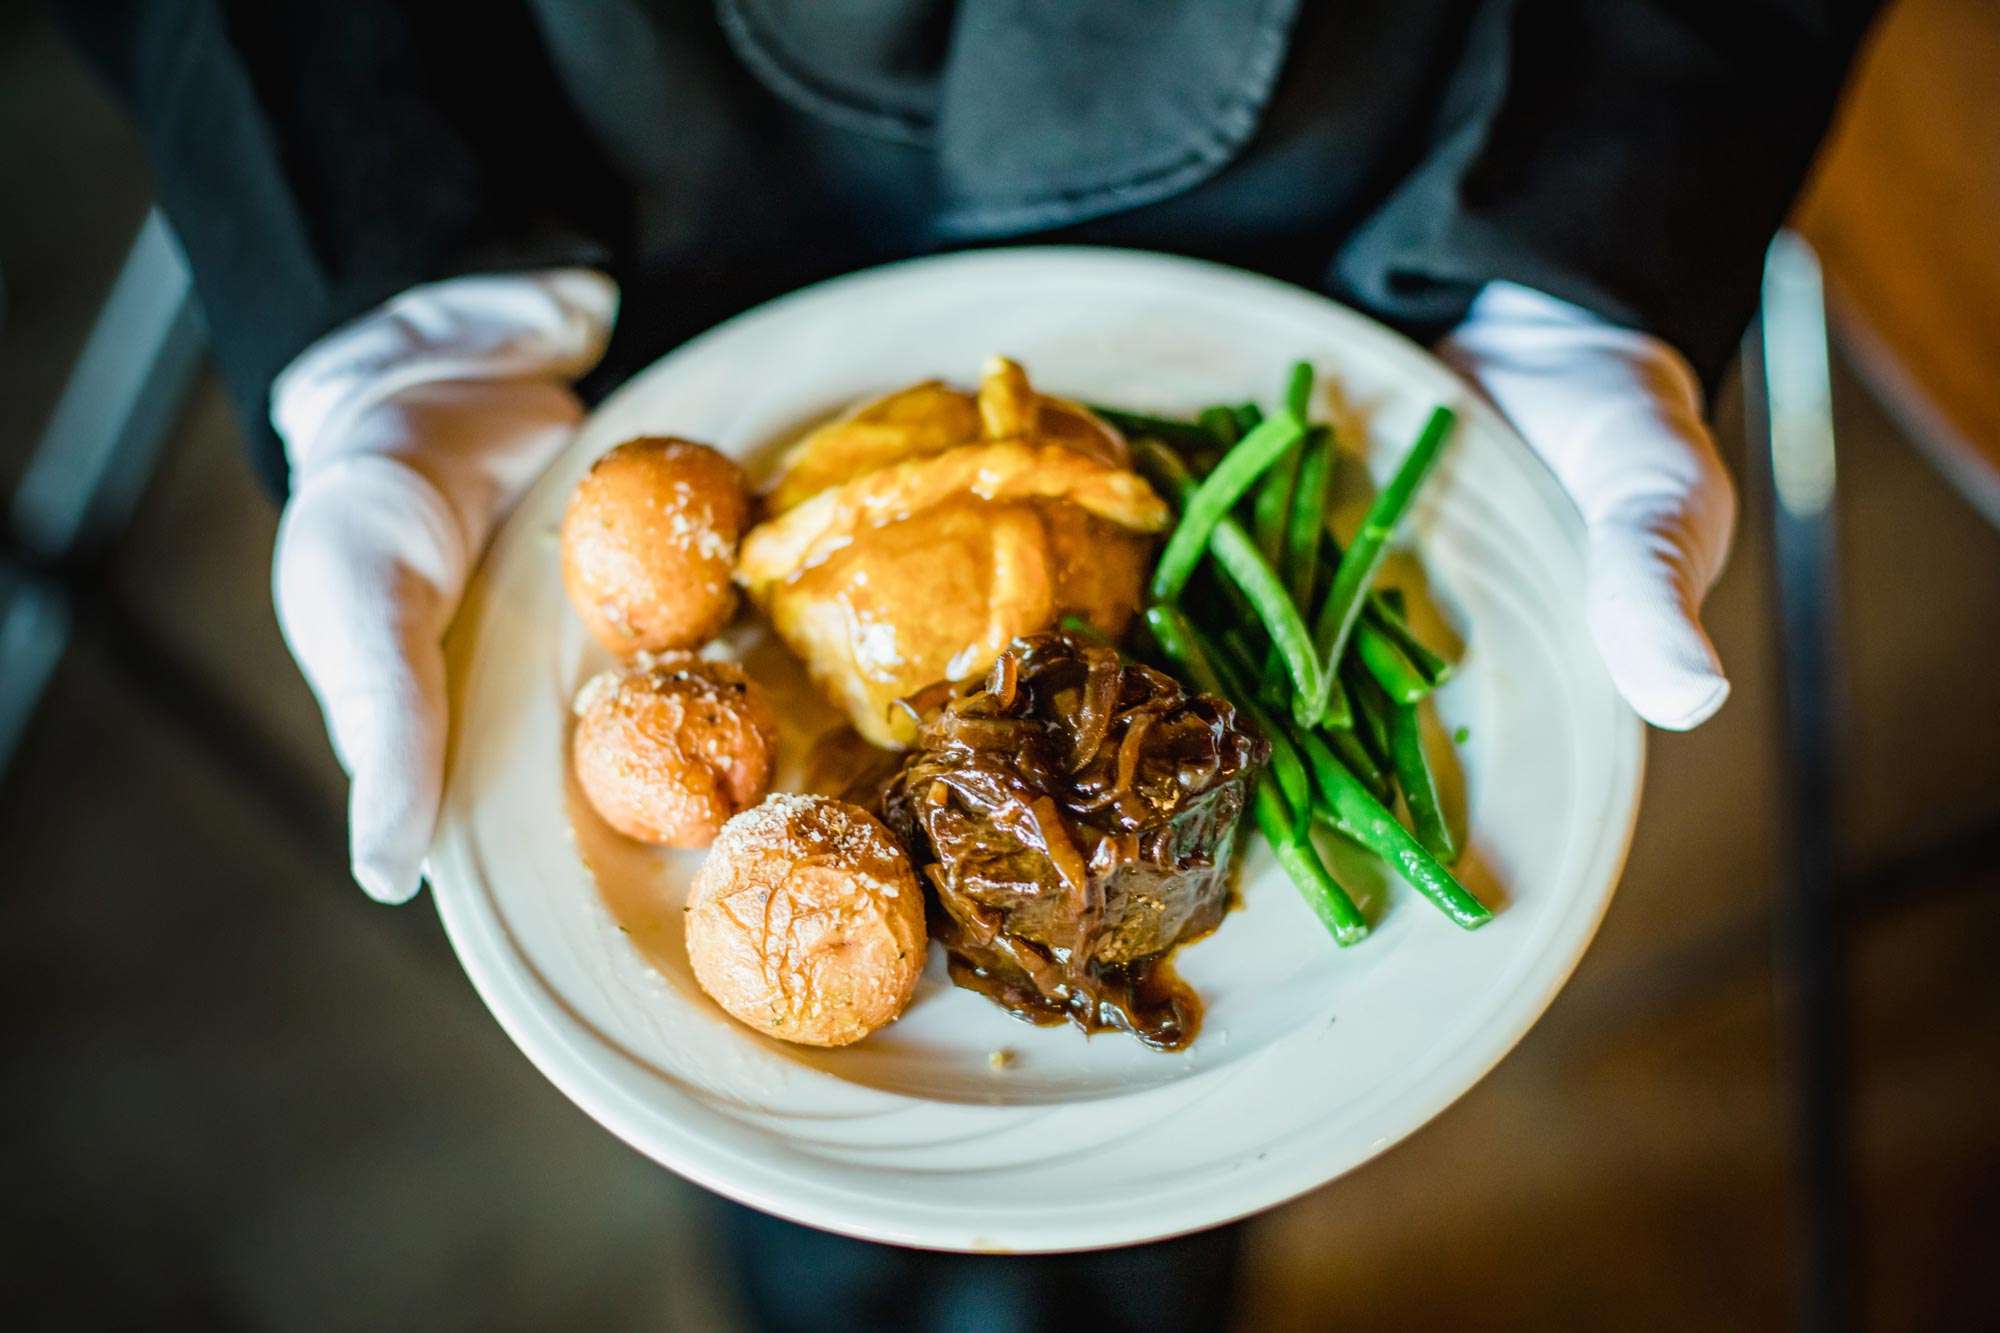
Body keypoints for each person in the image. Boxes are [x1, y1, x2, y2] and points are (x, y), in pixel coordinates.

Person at [53, 2, 1883, 1328]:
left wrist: (1593, 227)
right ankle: (821, 1274)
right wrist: (372, 261)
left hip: (1368, 174)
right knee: (791, 1167)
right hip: (602, 178)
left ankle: (1138, 1281)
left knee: (1154, 1203)